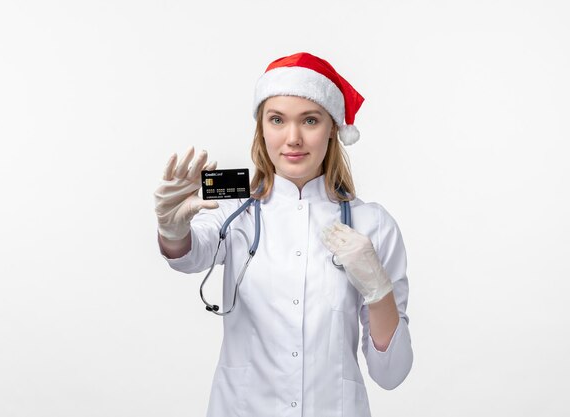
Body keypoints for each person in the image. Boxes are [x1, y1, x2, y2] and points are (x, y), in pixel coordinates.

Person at [154, 52, 413, 416]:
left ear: (333, 129)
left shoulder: (371, 224)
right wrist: (172, 228)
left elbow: (392, 372)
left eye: (310, 120)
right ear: (262, 127)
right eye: (277, 120)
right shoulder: (234, 205)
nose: (293, 138)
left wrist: (377, 287)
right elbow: (189, 254)